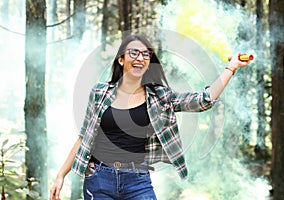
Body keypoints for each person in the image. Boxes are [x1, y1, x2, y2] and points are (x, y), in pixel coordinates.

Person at [50, 33, 250, 200]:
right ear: (121, 59)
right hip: (99, 177)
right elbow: (84, 137)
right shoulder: (100, 93)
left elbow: (203, 100)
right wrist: (61, 175)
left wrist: (230, 68)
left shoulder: (160, 97)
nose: (140, 58)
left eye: (146, 54)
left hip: (137, 180)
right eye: (134, 52)